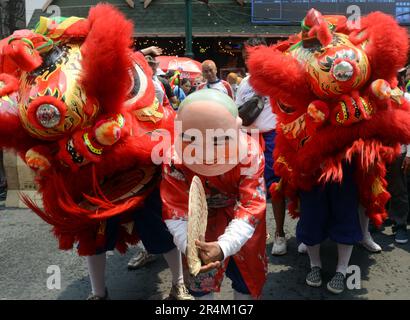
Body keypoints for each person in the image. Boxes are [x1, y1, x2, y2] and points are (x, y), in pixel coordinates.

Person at [161, 89, 267, 300]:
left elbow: (251, 205)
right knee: (200, 281)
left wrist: (224, 245)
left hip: (240, 219)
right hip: (197, 224)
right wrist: (191, 247)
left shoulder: (250, 153)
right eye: (193, 140)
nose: (206, 152)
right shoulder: (174, 158)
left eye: (217, 141)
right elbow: (175, 209)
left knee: (245, 280)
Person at [236, 37, 287, 256]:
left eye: (254, 55)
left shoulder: (276, 78)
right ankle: (256, 232)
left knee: (276, 188)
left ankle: (280, 233)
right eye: (246, 57)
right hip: (249, 140)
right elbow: (237, 113)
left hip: (272, 138)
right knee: (250, 188)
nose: (250, 60)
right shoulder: (243, 83)